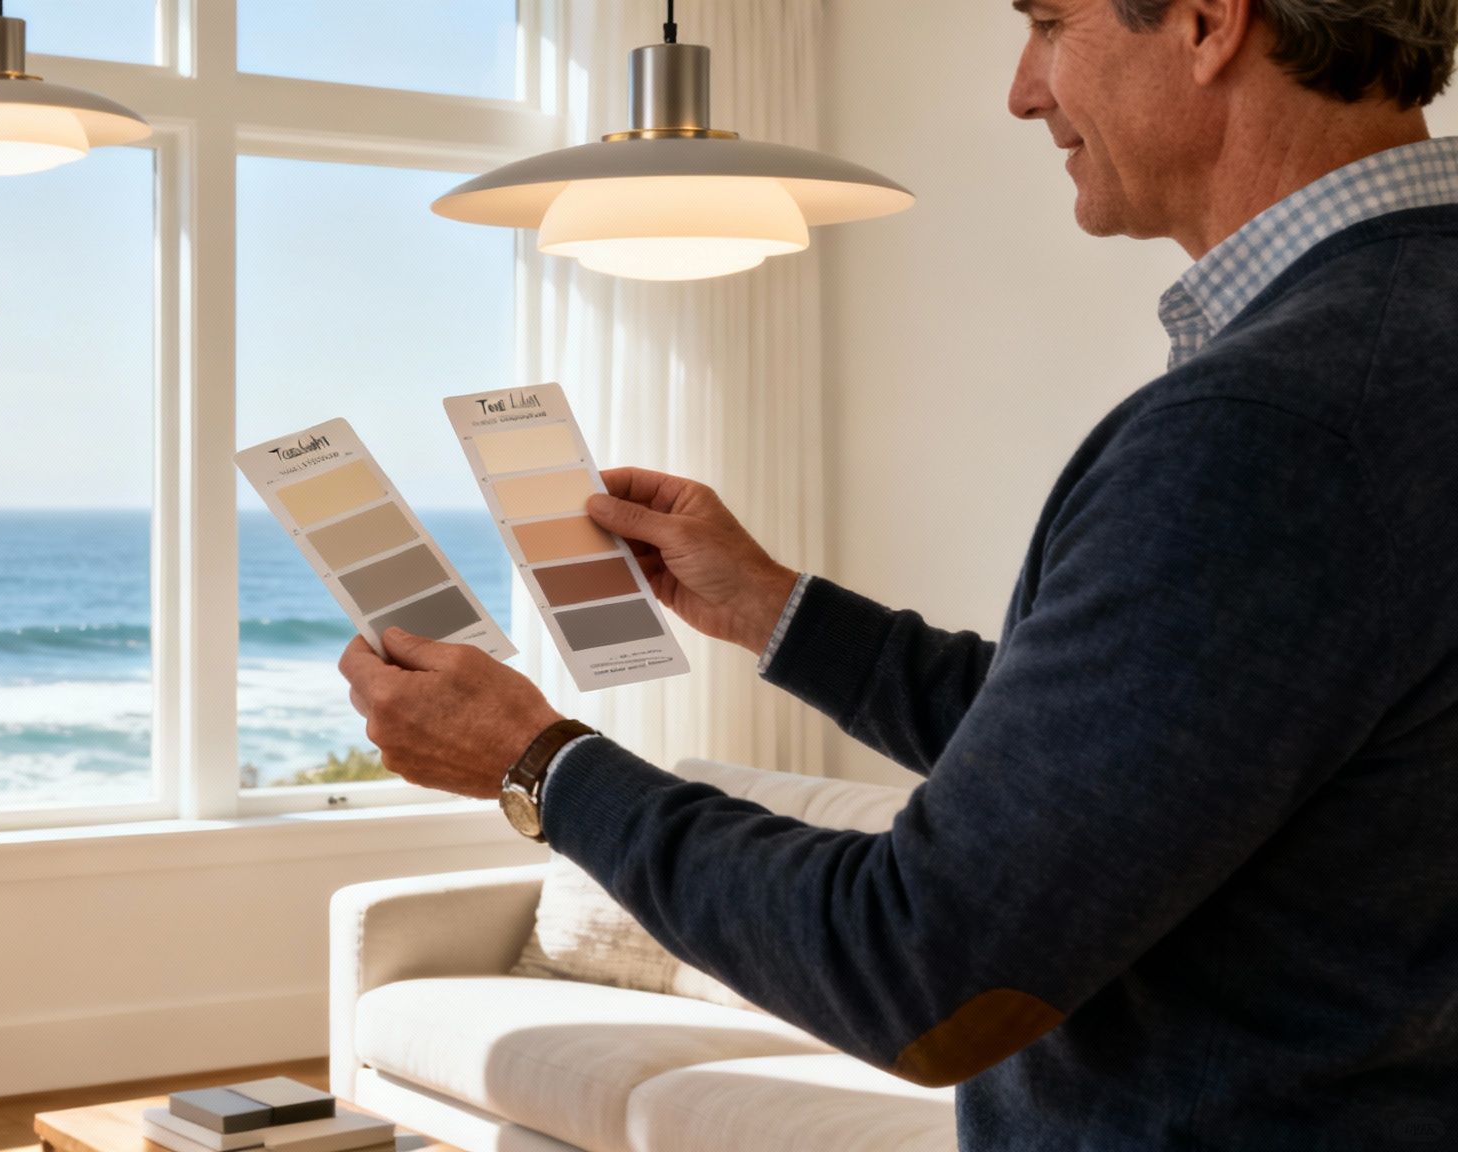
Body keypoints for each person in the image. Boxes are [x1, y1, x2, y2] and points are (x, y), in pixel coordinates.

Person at [337, 1, 1458, 1147]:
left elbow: (919, 969)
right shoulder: (1398, 347)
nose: (1021, 91)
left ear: (1208, 21)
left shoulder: (1269, 426)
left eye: (1048, 23)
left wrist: (537, 762)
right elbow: (1120, 766)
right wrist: (773, 610)